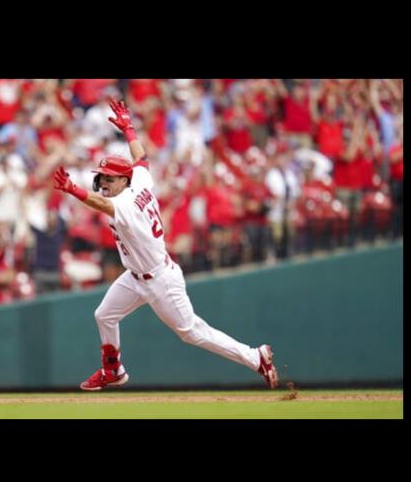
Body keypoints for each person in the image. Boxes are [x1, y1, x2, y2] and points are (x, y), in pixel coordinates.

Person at [52, 99, 278, 391]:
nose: (103, 182)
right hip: (135, 276)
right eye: (101, 177)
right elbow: (141, 158)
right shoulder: (140, 181)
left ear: (122, 180)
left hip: (160, 278)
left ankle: (255, 357)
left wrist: (73, 189)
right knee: (104, 315)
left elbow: (101, 204)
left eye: (108, 178)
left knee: (192, 331)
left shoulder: (126, 202)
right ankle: (113, 370)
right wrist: (129, 129)